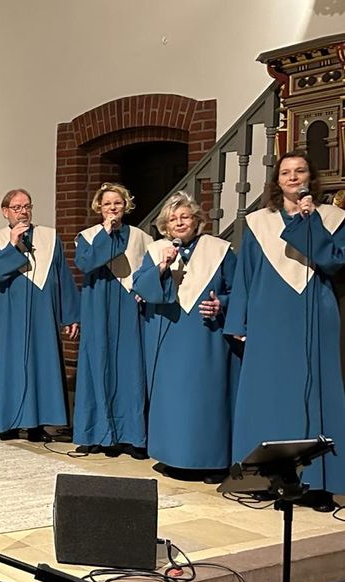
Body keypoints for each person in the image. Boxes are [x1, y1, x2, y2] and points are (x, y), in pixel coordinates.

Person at [226, 151, 345, 509]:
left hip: (316, 313)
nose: (293, 177)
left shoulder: (332, 217)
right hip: (269, 315)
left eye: (300, 171)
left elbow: (334, 261)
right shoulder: (260, 222)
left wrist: (310, 222)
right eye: (286, 173)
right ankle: (269, 479)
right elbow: (245, 275)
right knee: (269, 394)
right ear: (276, 181)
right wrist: (238, 320)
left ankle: (319, 484)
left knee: (318, 394)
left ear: (312, 177)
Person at [132, 192, 237, 480]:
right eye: (173, 218)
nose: (179, 222)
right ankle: (171, 455)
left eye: (185, 216)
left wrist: (221, 305)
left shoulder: (219, 250)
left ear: (197, 220)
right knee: (170, 397)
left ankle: (211, 461)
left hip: (205, 335)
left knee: (206, 395)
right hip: (168, 333)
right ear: (165, 225)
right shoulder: (157, 250)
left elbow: (239, 290)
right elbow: (140, 288)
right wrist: (163, 266)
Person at [0, 189, 79, 441]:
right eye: (16, 207)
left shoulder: (49, 237)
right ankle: (12, 423)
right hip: (12, 316)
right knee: (14, 366)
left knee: (43, 365)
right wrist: (12, 245)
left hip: (44, 315)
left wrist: (71, 315)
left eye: (27, 206)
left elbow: (62, 276)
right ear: (5, 212)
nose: (23, 212)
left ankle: (38, 425)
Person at [72, 183, 153, 459]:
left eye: (117, 203)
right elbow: (86, 263)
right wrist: (106, 233)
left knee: (129, 368)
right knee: (97, 365)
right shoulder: (89, 236)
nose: (112, 208)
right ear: (99, 208)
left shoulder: (141, 237)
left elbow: (148, 272)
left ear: (126, 205)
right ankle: (94, 433)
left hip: (128, 306)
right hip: (97, 305)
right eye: (107, 204)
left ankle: (131, 436)